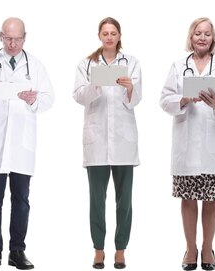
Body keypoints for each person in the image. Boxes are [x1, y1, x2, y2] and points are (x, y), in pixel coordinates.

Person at [0, 17, 54, 270]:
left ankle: (17, 251)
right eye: (8, 38)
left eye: (18, 38)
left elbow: (49, 98)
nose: (13, 43)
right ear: (0, 36)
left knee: (21, 200)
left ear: (25, 37)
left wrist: (33, 99)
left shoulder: (35, 65)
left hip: (22, 143)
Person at [160, 17, 215, 271]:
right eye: (198, 33)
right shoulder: (178, 66)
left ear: (213, 38)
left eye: (207, 33)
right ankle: (190, 249)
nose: (202, 37)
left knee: (210, 198)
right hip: (186, 143)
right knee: (187, 198)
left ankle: (207, 249)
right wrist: (182, 99)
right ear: (191, 37)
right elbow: (164, 99)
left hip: (212, 145)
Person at [73, 17, 141, 270]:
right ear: (99, 36)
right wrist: (95, 85)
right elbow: (79, 96)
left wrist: (130, 87)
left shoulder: (131, 63)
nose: (109, 37)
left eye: (113, 33)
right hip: (97, 141)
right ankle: (99, 250)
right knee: (96, 200)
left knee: (125, 201)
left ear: (119, 35)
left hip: (123, 141)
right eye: (105, 33)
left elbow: (136, 98)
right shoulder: (87, 64)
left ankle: (121, 250)